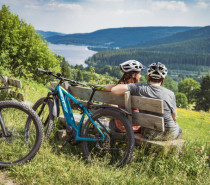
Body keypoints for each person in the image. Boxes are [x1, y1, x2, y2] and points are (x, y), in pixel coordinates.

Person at [110, 62, 182, 141]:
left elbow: (114, 90)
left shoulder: (139, 88)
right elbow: (174, 117)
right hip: (169, 134)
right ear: (163, 79)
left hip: (148, 134)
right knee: (179, 130)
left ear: (148, 77)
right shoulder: (170, 94)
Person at [104, 60, 145, 133]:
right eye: (139, 73)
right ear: (133, 75)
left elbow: (106, 88)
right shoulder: (139, 89)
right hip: (135, 128)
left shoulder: (119, 87)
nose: (141, 75)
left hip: (118, 126)